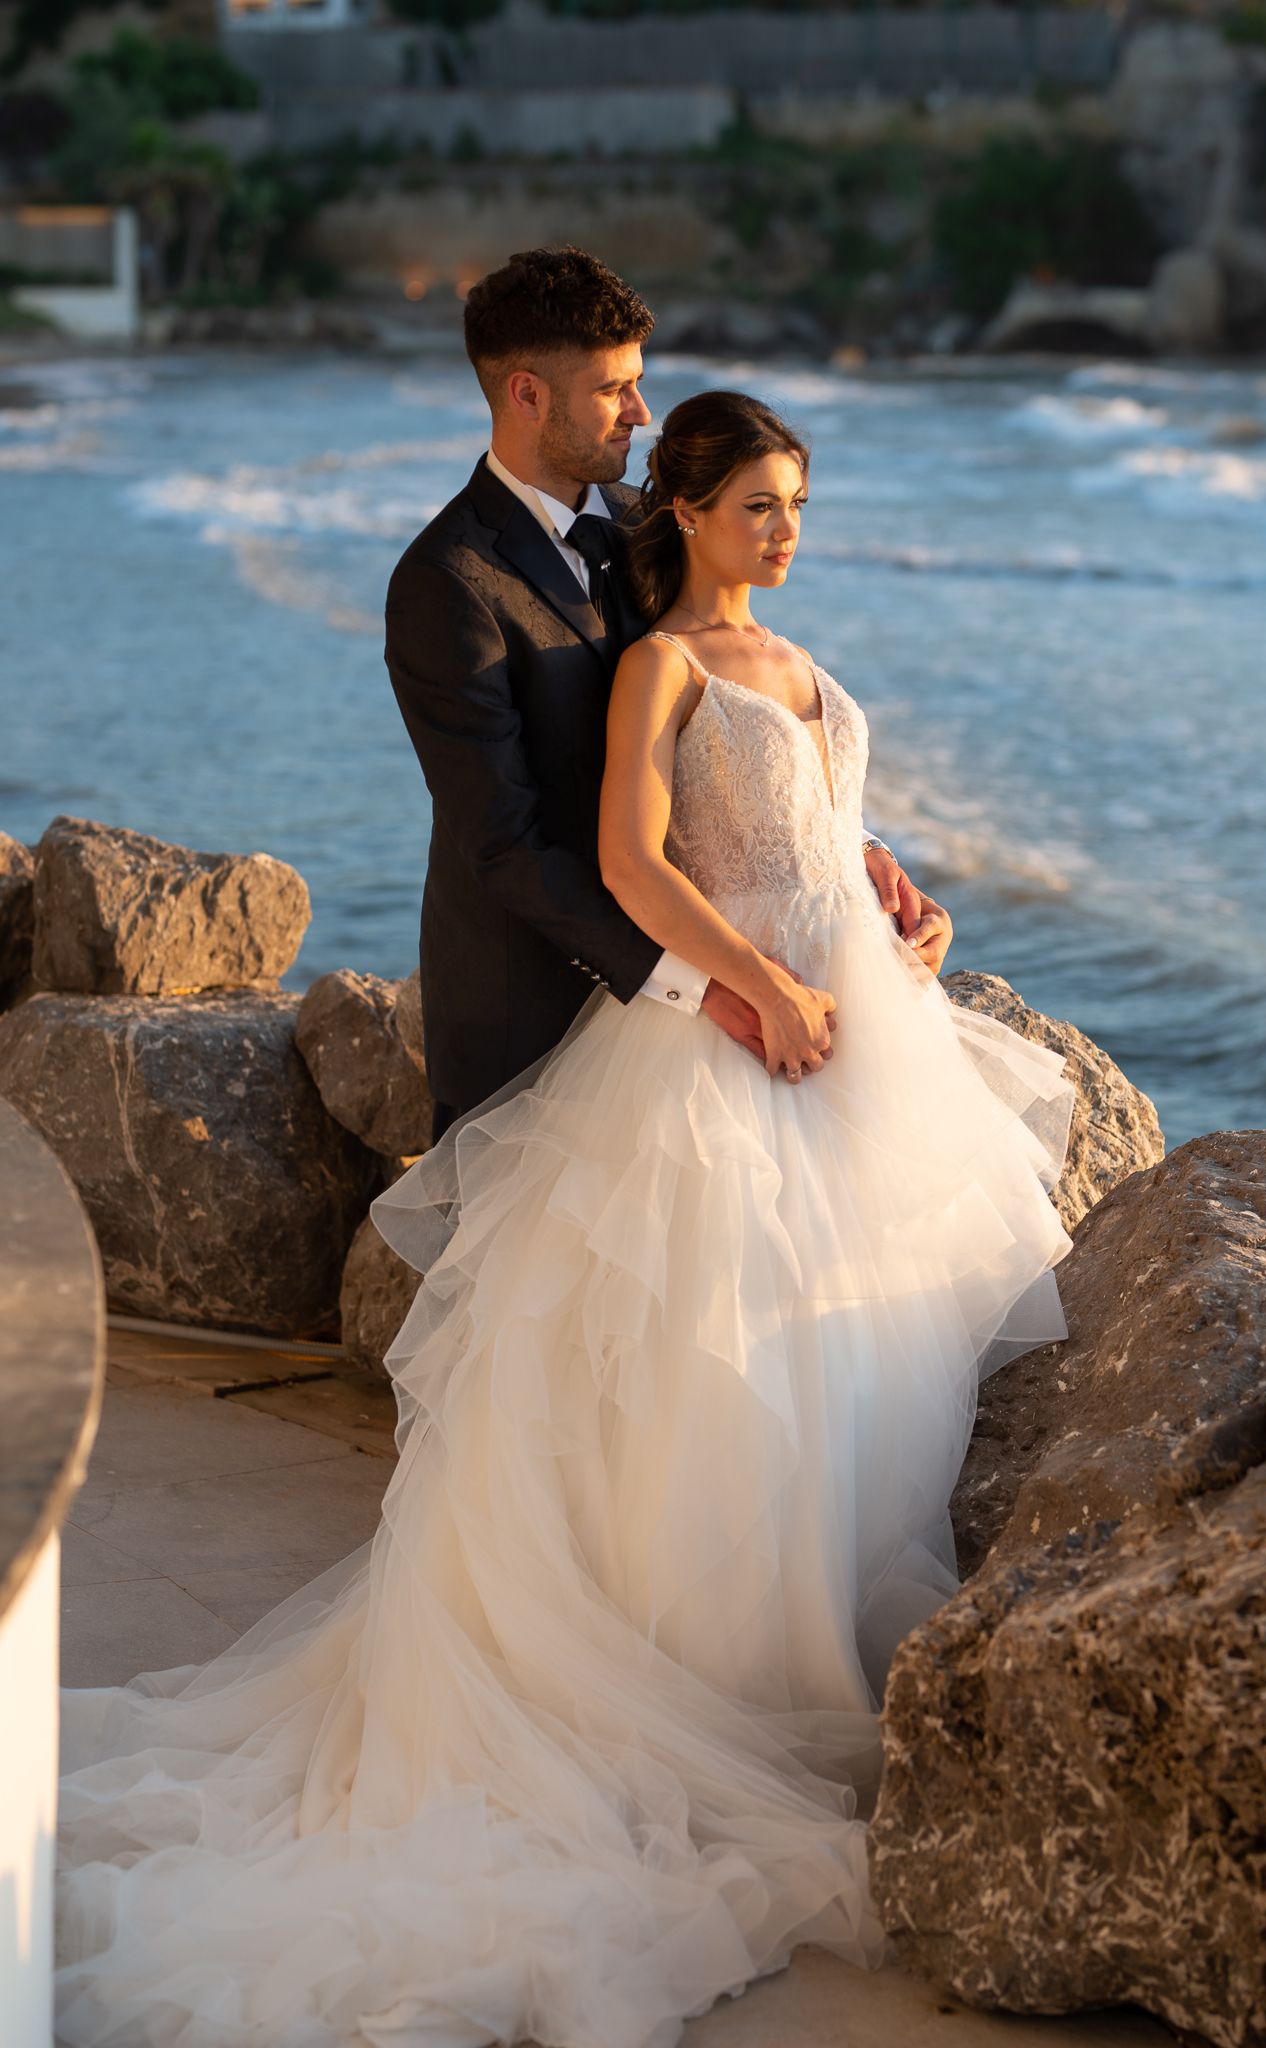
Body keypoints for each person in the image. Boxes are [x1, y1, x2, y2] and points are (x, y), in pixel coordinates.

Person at [53, 386, 1074, 2048]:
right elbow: (636, 856)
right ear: (686, 516)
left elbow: (810, 811)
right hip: (726, 1041)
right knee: (707, 1362)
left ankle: (812, 1653)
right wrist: (750, 985)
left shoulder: (800, 662)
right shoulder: (655, 660)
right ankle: (706, 1681)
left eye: (796, 505)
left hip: (855, 1026)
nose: (786, 534)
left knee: (855, 1366)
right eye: (758, 507)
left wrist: (891, 886)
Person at [383, 245, 951, 1138]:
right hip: (534, 1015)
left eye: (638, 382)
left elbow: (733, 720)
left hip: (712, 991)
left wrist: (851, 852)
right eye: (613, 389)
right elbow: (508, 843)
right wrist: (715, 990)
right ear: (527, 394)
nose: (640, 414)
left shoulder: (651, 522)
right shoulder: (446, 584)